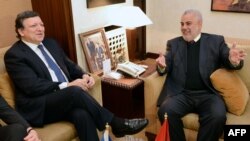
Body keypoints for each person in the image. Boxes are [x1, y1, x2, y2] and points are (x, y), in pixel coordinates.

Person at [4, 10, 148, 141]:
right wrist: (67, 85)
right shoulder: (14, 55)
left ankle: (115, 125)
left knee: (82, 115)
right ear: (21, 31)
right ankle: (116, 123)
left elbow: (70, 66)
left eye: (41, 24)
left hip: (61, 100)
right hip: (38, 105)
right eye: (34, 26)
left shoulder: (50, 43)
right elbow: (32, 86)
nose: (40, 29)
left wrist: (85, 75)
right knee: (74, 92)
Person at [155, 9, 246, 141]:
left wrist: (232, 60)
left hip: (207, 94)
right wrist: (161, 66)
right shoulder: (173, 44)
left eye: (188, 23)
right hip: (182, 94)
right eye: (182, 24)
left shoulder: (216, 41)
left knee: (218, 115)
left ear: (199, 24)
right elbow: (165, 64)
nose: (184, 27)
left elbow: (228, 58)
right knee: (165, 111)